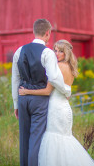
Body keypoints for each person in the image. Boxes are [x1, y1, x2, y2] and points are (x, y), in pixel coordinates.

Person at [19, 40, 94, 166]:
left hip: (55, 109)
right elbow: (66, 90)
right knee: (64, 142)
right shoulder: (71, 68)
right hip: (65, 108)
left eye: (60, 51)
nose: (56, 53)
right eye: (55, 50)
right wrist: (67, 92)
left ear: (66, 52)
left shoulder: (58, 67)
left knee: (53, 142)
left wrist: (27, 91)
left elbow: (47, 91)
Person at [11, 19, 71, 166]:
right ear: (47, 33)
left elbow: (15, 79)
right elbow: (54, 78)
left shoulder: (19, 51)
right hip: (39, 101)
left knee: (24, 139)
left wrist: (15, 104)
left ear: (33, 31)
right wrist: (66, 90)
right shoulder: (47, 53)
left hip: (23, 98)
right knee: (36, 140)